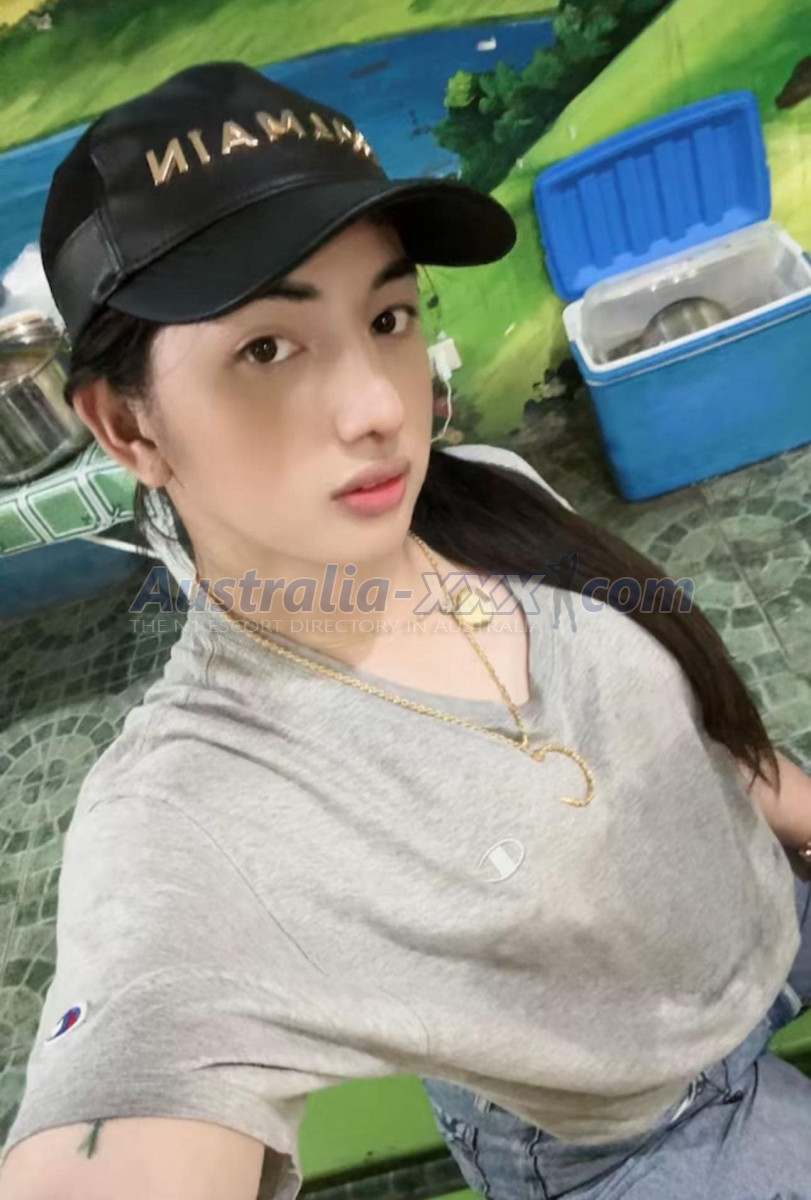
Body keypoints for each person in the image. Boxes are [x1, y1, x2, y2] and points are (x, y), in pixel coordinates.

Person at [1, 60, 810, 1200]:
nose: (384, 405)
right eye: (266, 349)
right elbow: (125, 1084)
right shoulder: (191, 813)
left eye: (385, 317)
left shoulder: (491, 488)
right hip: (630, 1133)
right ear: (128, 428)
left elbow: (698, 744)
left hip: (766, 914)